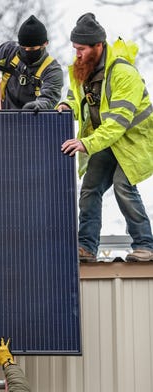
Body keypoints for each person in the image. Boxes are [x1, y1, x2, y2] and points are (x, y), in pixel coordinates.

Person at [57, 12, 153, 262]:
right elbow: (77, 99)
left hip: (133, 141)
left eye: (82, 49)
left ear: (98, 46)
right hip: (105, 139)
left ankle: (145, 246)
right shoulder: (80, 69)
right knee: (90, 189)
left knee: (123, 185)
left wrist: (86, 143)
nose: (77, 53)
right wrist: (67, 106)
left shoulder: (123, 73)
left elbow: (119, 121)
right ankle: (86, 248)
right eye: (75, 48)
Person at [0, 15, 63, 110]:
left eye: (31, 48)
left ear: (45, 44)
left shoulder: (52, 70)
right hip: (4, 120)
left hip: (34, 122)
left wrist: (39, 106)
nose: (26, 52)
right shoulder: (8, 52)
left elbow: (49, 97)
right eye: (23, 47)